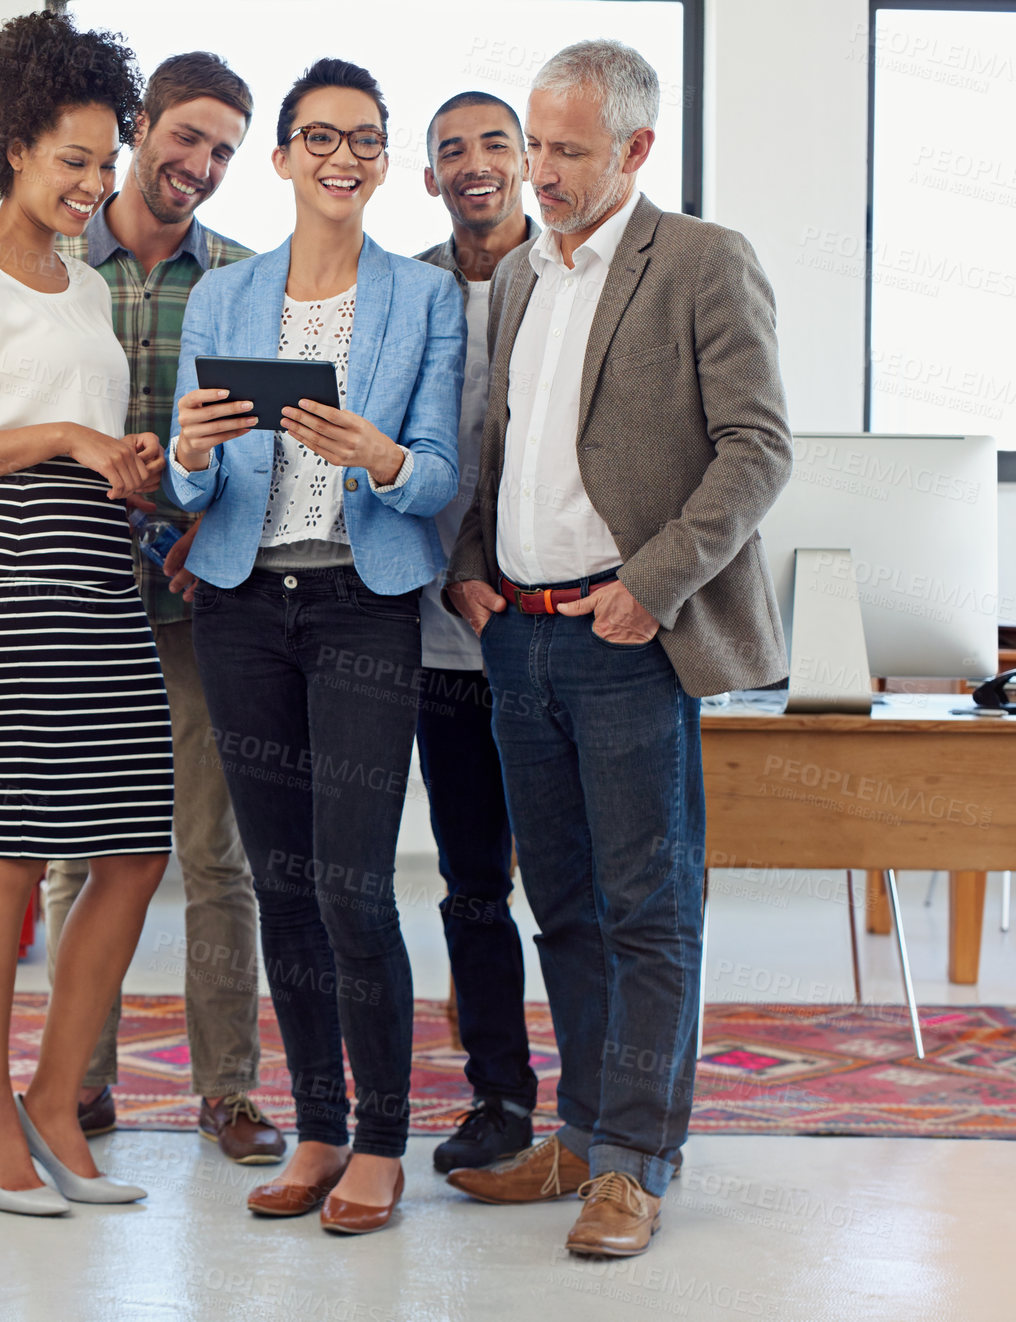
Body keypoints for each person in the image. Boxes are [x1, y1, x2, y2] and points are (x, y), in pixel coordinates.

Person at [443, 40, 792, 1257]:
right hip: (522, 644)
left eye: (566, 151)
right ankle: (586, 1136)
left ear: (637, 149)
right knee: (569, 907)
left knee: (649, 907)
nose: (536, 170)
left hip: (627, 636)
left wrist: (650, 587)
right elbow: (500, 447)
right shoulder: (523, 278)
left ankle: (636, 1160)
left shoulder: (702, 262)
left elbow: (757, 449)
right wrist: (469, 564)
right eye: (533, 144)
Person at [168, 58, 465, 1236]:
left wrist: (380, 457)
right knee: (282, 883)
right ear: (284, 157)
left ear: (384, 162)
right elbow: (197, 480)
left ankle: (384, 1137)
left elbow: (440, 473)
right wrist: (188, 446)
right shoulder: (222, 300)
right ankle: (317, 1125)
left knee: (353, 885)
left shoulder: (423, 300)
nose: (345, 157)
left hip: (362, 604)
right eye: (321, 137)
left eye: (367, 139)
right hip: (241, 607)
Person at [0, 12, 171, 1216]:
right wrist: (64, 436)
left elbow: (76, 425)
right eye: (75, 160)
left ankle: (58, 1095)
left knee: (137, 845)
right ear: (12, 145)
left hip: (102, 572)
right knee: (14, 839)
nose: (96, 185)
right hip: (11, 583)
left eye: (109, 162)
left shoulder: (82, 286)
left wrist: (127, 462)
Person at [46, 51, 285, 1165]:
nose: (201, 164)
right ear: (142, 125)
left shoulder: (242, 280)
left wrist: (212, 526)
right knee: (71, 854)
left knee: (212, 855)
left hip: (198, 604)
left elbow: (272, 443)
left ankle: (227, 1092)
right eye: (187, 136)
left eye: (225, 151)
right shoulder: (50, 266)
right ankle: (77, 1083)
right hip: (76, 599)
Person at [412, 91, 542, 1174]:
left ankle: (606, 1103)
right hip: (441, 644)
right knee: (471, 884)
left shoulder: (577, 280)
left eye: (494, 143)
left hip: (561, 635)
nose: (474, 164)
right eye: (451, 151)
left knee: (576, 881)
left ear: (530, 160)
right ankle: (499, 1096)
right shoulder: (408, 293)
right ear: (431, 178)